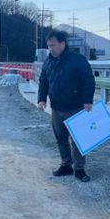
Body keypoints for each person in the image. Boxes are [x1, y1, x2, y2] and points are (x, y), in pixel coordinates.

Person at [37, 30, 96, 182]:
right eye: (49, 46)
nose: (50, 49)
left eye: (53, 45)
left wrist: (88, 101)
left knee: (78, 139)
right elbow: (43, 81)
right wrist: (41, 99)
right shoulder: (48, 62)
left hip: (75, 106)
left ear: (62, 44)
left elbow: (89, 81)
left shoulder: (78, 60)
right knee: (61, 138)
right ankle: (66, 165)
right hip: (56, 108)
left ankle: (79, 168)